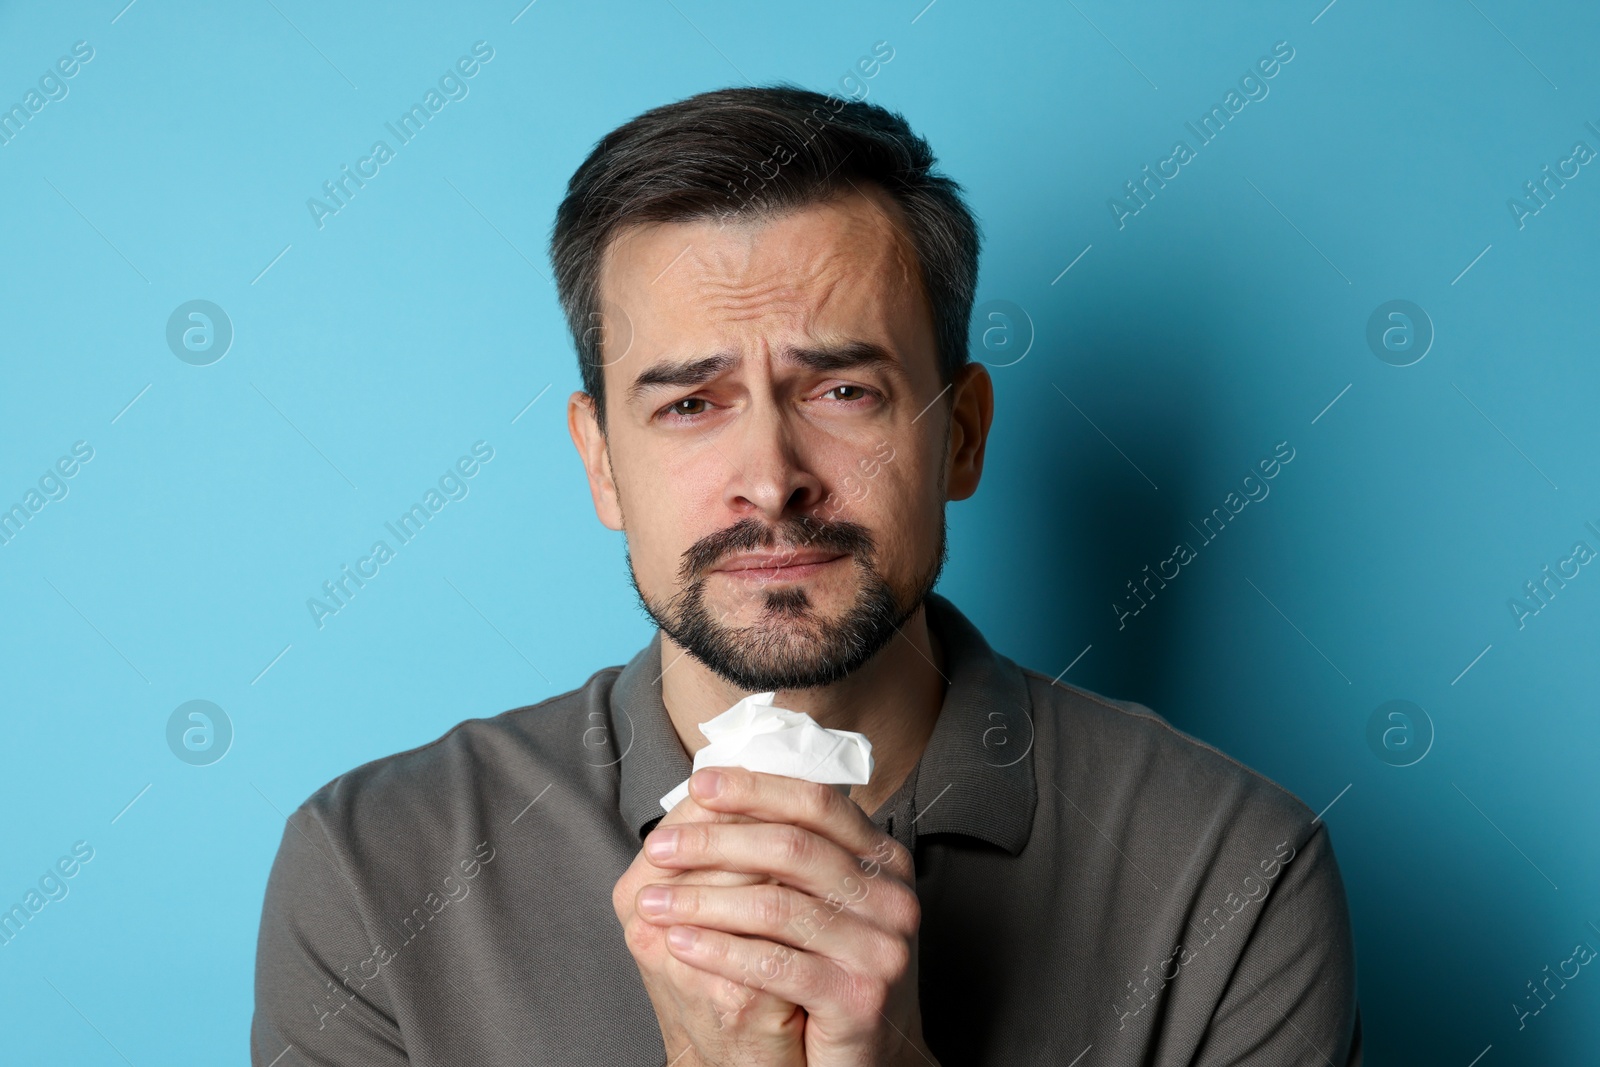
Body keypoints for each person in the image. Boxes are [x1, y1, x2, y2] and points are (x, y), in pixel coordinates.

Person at [251, 84, 1361, 1066]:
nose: (770, 481)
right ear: (601, 463)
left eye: (842, 392)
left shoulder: (1232, 872)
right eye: (690, 404)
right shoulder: (375, 868)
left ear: (962, 435)